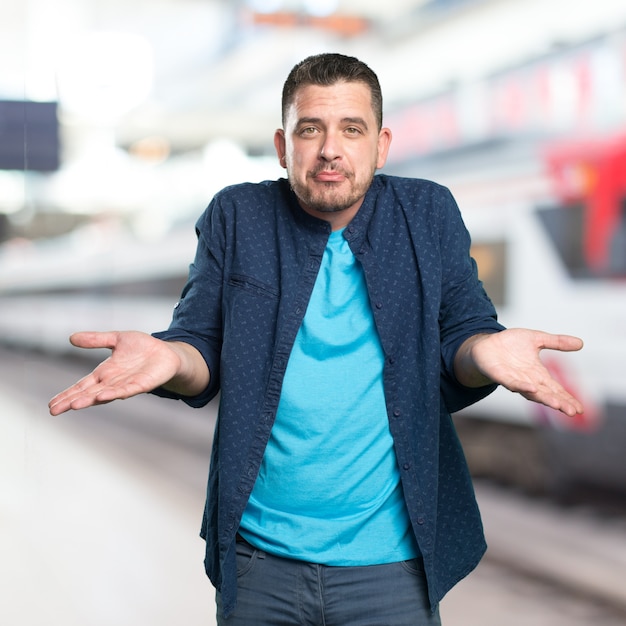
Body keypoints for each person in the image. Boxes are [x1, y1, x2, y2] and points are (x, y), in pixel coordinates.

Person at [49, 53, 584, 625]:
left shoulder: (426, 212)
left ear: (380, 145)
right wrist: (170, 357)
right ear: (284, 146)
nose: (331, 148)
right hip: (259, 564)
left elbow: (464, 332)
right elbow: (200, 345)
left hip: (394, 568)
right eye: (311, 129)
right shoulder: (239, 215)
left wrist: (485, 350)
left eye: (352, 129)